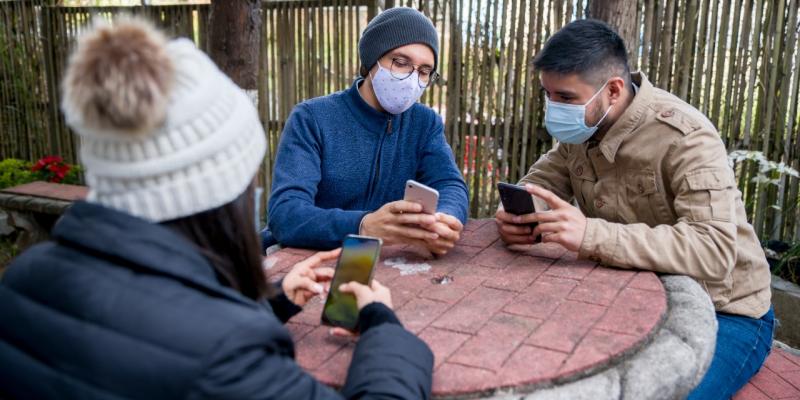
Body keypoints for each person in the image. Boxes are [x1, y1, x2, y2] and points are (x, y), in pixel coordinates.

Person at [0, 19, 433, 399]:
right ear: (220, 193)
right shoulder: (228, 355)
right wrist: (384, 328)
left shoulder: (23, 279)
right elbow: (193, 344)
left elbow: (150, 330)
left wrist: (271, 303)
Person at [495, 19, 773, 400]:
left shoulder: (687, 138)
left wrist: (591, 235)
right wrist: (519, 215)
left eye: (565, 97)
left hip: (726, 310)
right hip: (633, 294)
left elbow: (714, 249)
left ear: (613, 90)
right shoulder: (583, 128)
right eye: (548, 95)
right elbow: (540, 184)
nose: (554, 108)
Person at [263, 7, 469, 255]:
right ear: (372, 61)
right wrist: (362, 225)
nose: (412, 79)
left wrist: (443, 220)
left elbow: (449, 183)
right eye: (401, 63)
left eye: (424, 71)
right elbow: (285, 214)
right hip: (302, 258)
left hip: (378, 261)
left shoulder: (425, 123)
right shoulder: (312, 118)